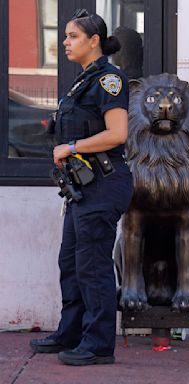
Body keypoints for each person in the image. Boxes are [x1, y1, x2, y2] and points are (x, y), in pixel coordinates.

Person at [29, 9, 133, 366]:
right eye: (66, 36)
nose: (65, 43)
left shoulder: (109, 80)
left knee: (92, 265)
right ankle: (71, 332)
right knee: (71, 262)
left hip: (104, 184)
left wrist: (71, 147)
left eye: (73, 36)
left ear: (94, 41)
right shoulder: (83, 81)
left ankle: (99, 344)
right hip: (83, 188)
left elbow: (118, 134)